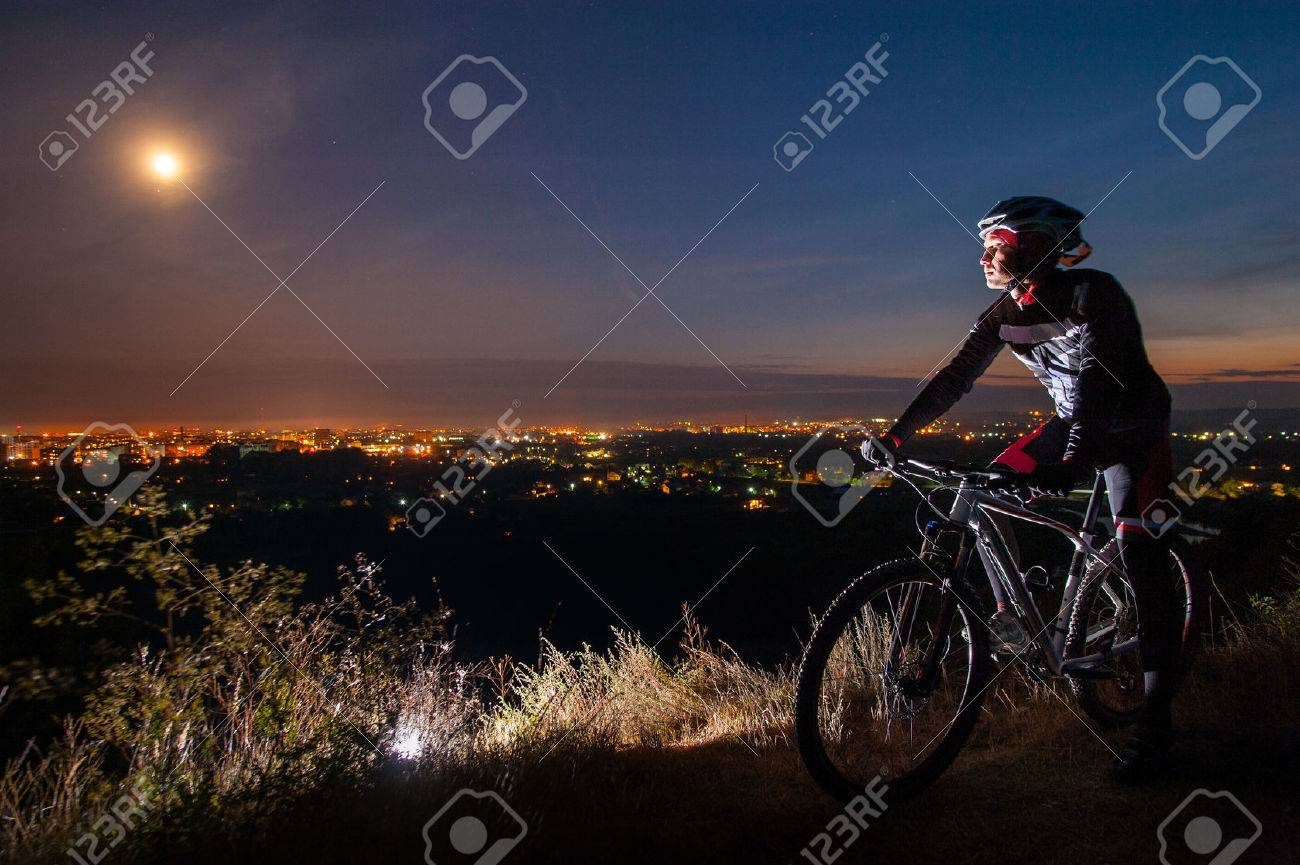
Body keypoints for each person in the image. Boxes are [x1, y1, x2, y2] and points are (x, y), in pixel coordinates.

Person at [862, 196, 1180, 782]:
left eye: (996, 244)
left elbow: (1094, 379)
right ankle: (1016, 617)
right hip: (1071, 425)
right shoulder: (1005, 310)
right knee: (987, 489)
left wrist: (1076, 460)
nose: (984, 256)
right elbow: (955, 376)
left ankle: (1157, 730)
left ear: (1035, 246)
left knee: (1141, 558)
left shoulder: (1093, 293)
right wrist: (897, 435)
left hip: (1132, 429)